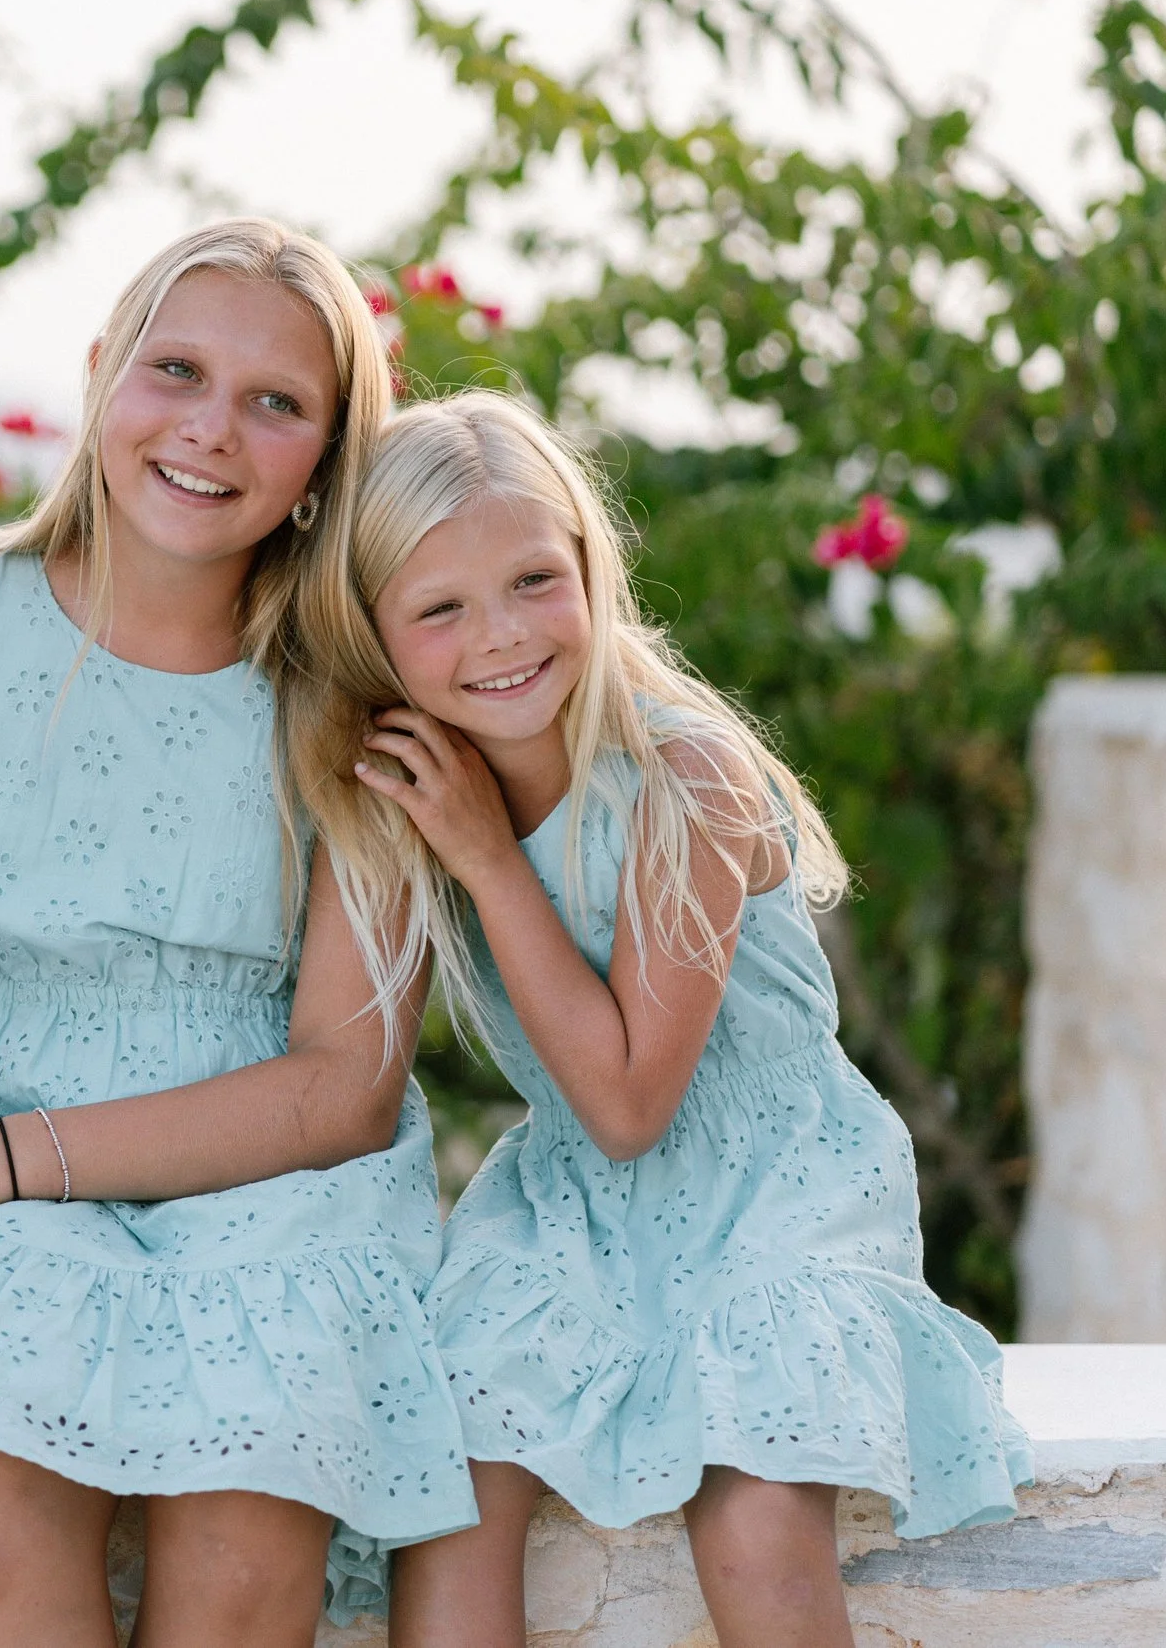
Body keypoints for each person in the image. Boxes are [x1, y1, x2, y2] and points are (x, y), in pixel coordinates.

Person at [0, 218, 473, 1647]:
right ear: (99, 374)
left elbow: (345, 1084)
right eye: (178, 370)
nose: (213, 429)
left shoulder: (354, 691)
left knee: (247, 1546)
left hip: (266, 1176)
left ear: (331, 454)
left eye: (278, 403)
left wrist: (9, 1159)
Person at [288, 390, 1032, 1648]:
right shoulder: (411, 790)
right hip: (570, 1206)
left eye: (534, 579)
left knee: (751, 1507)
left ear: (590, 565)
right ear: (373, 634)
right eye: (439, 609)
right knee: (447, 1491)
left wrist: (488, 858)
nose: (501, 636)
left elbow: (633, 1103)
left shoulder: (685, 771)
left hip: (774, 1190)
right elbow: (343, 1059)